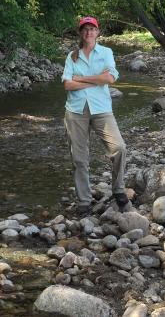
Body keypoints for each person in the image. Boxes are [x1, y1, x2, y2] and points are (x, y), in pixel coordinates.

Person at [62, 16, 129, 216]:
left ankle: (118, 189)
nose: (89, 32)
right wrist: (97, 80)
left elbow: (110, 78)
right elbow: (67, 85)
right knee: (79, 159)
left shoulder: (106, 52)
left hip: (101, 109)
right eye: (85, 29)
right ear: (80, 33)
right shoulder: (72, 56)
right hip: (75, 110)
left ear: (98, 32)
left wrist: (81, 78)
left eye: (92, 29)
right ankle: (84, 201)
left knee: (119, 148)